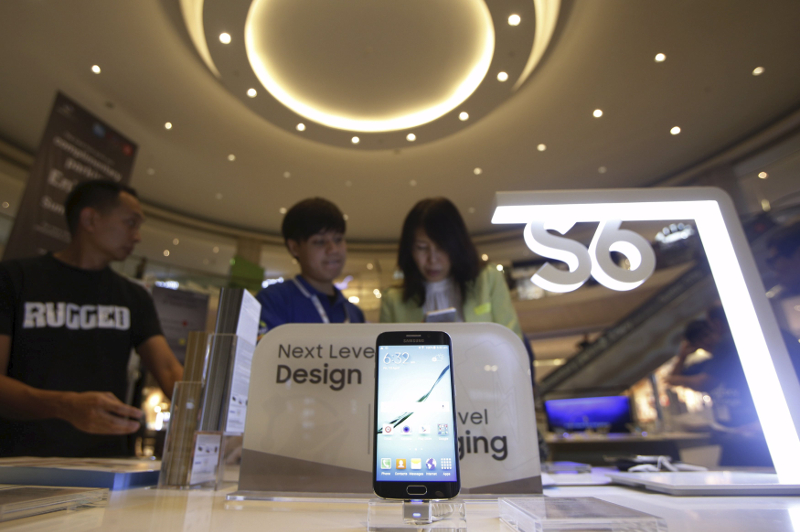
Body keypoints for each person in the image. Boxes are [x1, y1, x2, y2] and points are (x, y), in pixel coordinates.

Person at [0, 180, 184, 457]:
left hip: (106, 462)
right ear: (90, 219)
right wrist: (64, 405)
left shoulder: (133, 297)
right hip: (21, 460)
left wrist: (211, 410)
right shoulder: (14, 279)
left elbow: (168, 370)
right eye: (130, 223)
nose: (137, 237)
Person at [379, 198, 523, 339]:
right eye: (421, 247)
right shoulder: (393, 300)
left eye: (441, 247)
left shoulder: (487, 278)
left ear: (456, 246)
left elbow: (512, 338)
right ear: (409, 249)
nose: (432, 259)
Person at [665, 317, 771, 466]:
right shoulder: (709, 363)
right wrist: (682, 356)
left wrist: (681, 379)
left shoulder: (729, 347)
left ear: (716, 329)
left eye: (707, 335)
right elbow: (671, 379)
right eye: (699, 340)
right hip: (731, 433)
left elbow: (705, 383)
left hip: (754, 431)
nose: (706, 341)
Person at [256, 198, 365, 336]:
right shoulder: (274, 301)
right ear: (294, 248)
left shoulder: (353, 312)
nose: (333, 249)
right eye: (319, 242)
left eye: (338, 239)